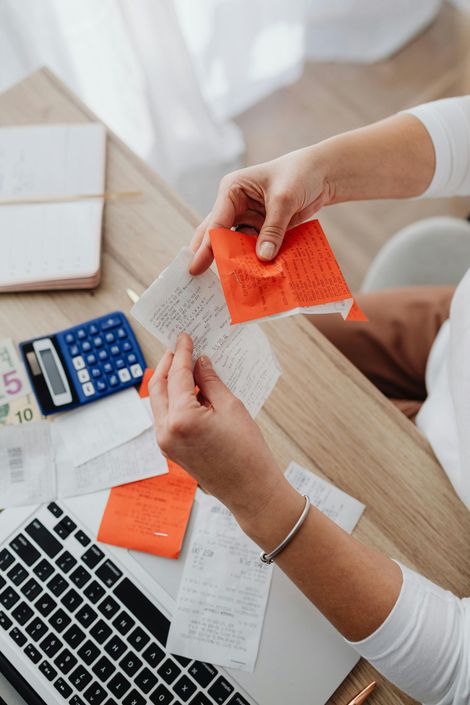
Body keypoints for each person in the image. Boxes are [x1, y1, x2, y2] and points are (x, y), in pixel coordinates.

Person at [149, 96, 470, 705]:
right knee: (286, 344)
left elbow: (460, 669)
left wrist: (258, 501)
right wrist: (320, 168)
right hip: (449, 332)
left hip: (451, 510)